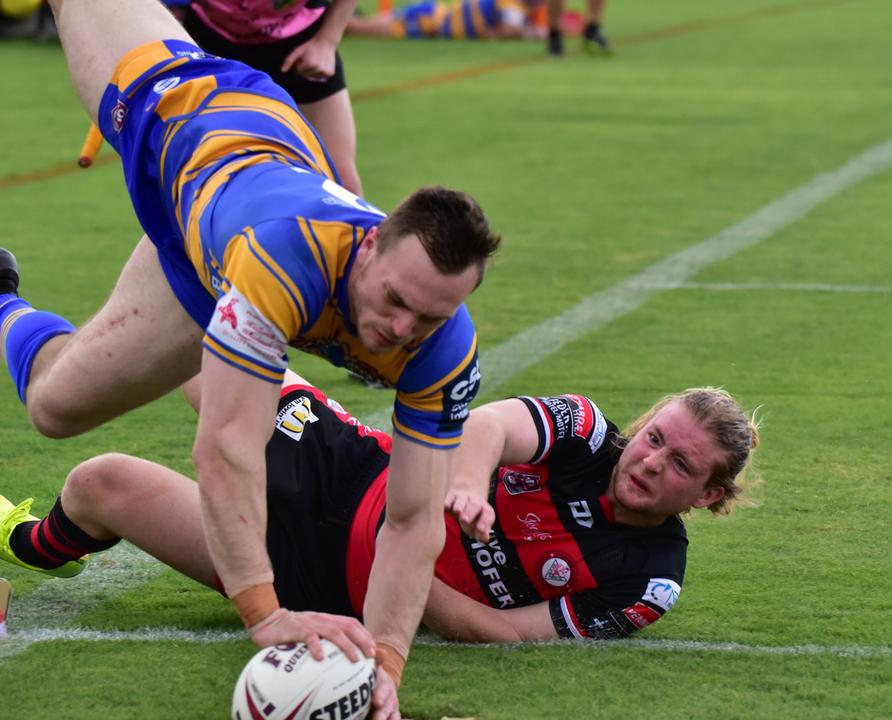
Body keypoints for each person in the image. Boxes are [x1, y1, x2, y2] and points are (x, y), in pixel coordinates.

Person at [0, 0, 500, 715]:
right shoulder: (283, 261)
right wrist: (267, 617)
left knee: (53, 407)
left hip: (205, 245)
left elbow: (413, 517)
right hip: (175, 106)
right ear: (367, 247)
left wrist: (384, 664)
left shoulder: (444, 352)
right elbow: (227, 449)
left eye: (429, 316)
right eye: (394, 300)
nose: (400, 328)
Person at [0, 370, 761, 641]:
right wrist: (460, 488)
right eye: (656, 436)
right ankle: (16, 318)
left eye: (679, 464)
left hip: (317, 584)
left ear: (711, 494)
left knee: (102, 483)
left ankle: (25, 539)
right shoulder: (589, 433)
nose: (649, 460)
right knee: (190, 347)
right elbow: (491, 425)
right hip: (349, 465)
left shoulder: (649, 580)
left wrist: (409, 555)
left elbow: (500, 632)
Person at [162, 0, 366, 195]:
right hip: (210, 39)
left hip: (298, 41)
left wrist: (327, 41)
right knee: (188, 188)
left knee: (343, 187)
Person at [346, 0, 539, 41]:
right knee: (359, 29)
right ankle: (326, 17)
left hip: (432, 14)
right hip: (429, 22)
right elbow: (510, 29)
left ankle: (339, 16)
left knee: (362, 26)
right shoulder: (512, 6)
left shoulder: (513, 6)